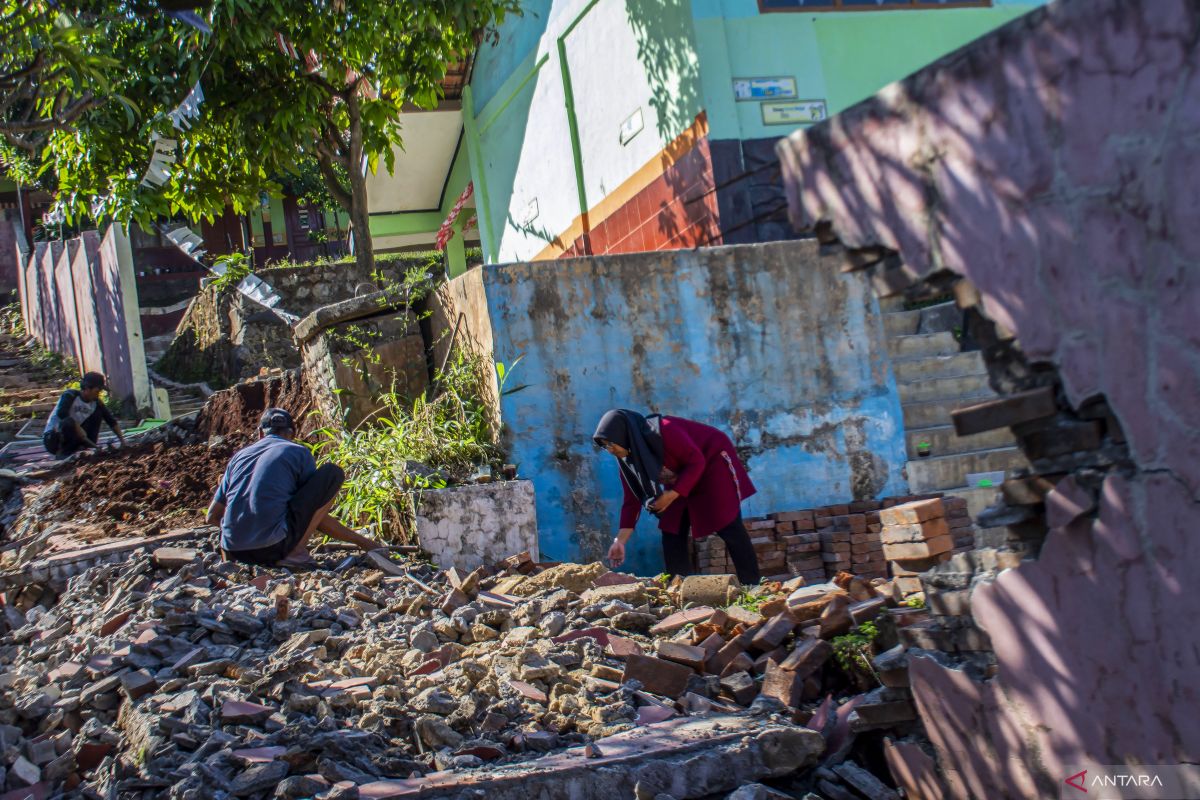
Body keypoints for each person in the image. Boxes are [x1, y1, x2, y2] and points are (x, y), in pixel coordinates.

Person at [594, 409, 761, 585]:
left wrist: (672, 495)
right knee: (672, 527)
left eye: (611, 444)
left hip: (711, 462)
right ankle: (679, 586)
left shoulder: (664, 430)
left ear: (623, 434)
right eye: (605, 446)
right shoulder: (629, 459)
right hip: (679, 476)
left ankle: (752, 584)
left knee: (727, 523)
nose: (609, 450)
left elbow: (696, 461)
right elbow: (632, 499)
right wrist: (620, 541)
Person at [206, 407, 383, 568]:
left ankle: (246, 551)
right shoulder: (298, 452)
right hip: (273, 548)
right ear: (293, 433)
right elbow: (313, 515)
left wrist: (243, 533)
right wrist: (364, 542)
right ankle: (295, 553)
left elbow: (212, 516)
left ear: (260, 433)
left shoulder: (238, 457)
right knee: (332, 473)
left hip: (235, 552)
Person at [43, 372, 125, 458]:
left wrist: (122, 441)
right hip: (53, 439)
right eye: (97, 391)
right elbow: (62, 413)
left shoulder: (96, 403)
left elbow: (111, 421)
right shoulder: (70, 395)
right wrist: (78, 428)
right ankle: (63, 453)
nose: (98, 394)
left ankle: (89, 448)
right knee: (69, 421)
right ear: (87, 388)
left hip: (74, 438)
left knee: (98, 413)